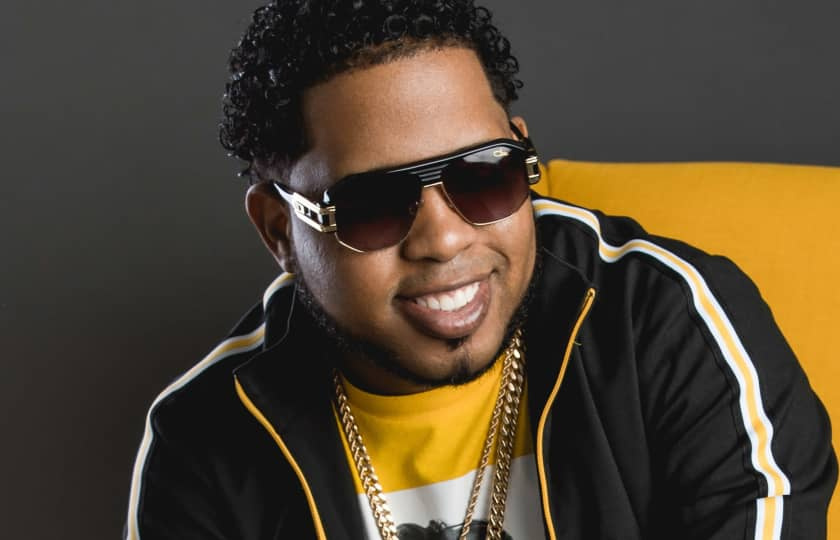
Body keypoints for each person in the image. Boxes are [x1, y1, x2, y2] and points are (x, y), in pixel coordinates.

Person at [124, 1, 836, 539]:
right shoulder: (204, 446)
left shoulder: (669, 321)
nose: (444, 238)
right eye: (373, 204)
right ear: (281, 229)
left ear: (523, 154)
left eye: (484, 176)